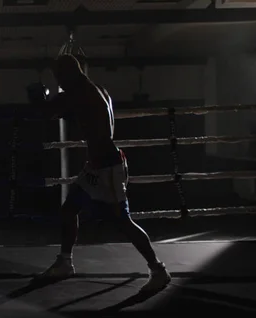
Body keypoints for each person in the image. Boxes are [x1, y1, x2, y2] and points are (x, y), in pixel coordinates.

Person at [32, 54, 171, 293]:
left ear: (68, 74)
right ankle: (65, 262)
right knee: (69, 209)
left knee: (123, 221)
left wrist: (41, 92)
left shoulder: (78, 93)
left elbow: (47, 112)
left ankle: (158, 269)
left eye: (60, 78)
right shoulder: (98, 90)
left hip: (108, 168)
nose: (60, 83)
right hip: (96, 166)